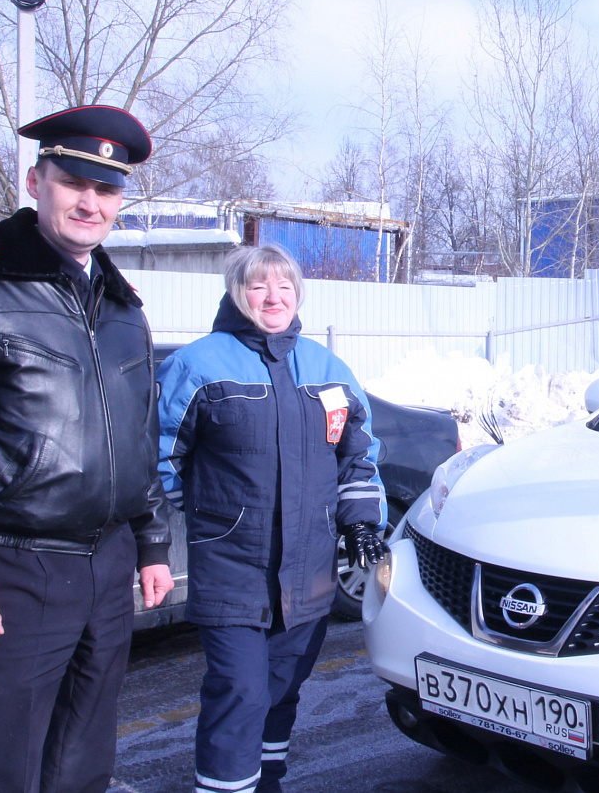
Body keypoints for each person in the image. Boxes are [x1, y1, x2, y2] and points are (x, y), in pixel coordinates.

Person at [0, 105, 175, 792]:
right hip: (14, 569)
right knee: (1, 770)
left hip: (106, 569)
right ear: (35, 179)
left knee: (82, 764)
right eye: (72, 180)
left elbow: (137, 434)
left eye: (107, 189)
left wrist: (152, 541)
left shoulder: (121, 305)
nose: (89, 201)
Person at [156, 244, 387, 793]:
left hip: (308, 570)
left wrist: (359, 523)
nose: (273, 297)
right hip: (234, 568)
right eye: (258, 286)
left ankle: (267, 781)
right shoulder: (198, 364)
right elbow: (161, 459)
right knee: (240, 690)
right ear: (237, 293)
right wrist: (208, 517)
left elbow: (357, 456)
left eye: (284, 286)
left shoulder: (328, 370)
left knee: (284, 686)